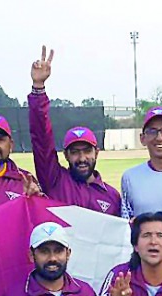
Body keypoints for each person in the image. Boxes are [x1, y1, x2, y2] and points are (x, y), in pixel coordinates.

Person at [27, 46, 121, 215]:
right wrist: (38, 88)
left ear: (96, 152)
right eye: (75, 152)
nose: (82, 158)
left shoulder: (112, 197)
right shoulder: (54, 180)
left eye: (87, 151)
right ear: (66, 155)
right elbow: (41, 139)